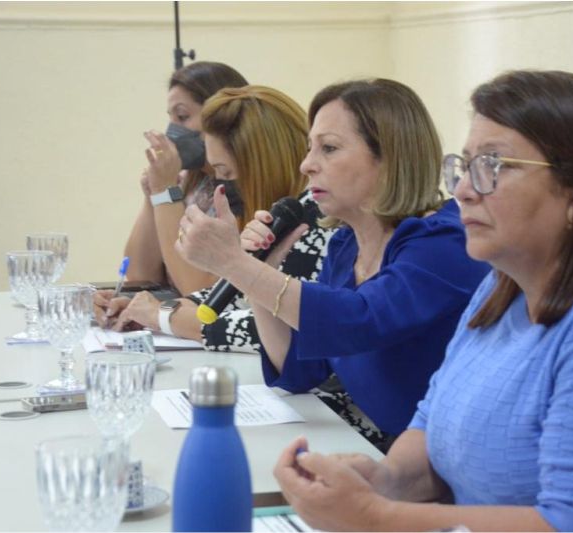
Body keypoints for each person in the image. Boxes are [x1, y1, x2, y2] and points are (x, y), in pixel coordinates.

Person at [271, 70, 573, 531]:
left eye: (493, 165)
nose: (463, 190)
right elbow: (433, 423)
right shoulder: (501, 285)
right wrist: (384, 481)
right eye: (464, 166)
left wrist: (377, 516)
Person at [175, 79, 490, 450]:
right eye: (310, 148)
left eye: (329, 148)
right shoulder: (346, 245)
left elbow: (359, 320)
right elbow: (301, 370)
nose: (307, 165)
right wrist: (258, 272)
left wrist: (238, 266)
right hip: (383, 451)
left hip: (443, 459)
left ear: (390, 157)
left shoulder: (445, 242)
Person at [94, 85, 333, 354]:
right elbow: (230, 295)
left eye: (225, 172)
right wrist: (150, 309)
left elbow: (288, 324)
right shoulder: (282, 213)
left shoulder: (319, 217)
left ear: (260, 167)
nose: (219, 183)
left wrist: (165, 318)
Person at [124, 61, 249, 295]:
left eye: (182, 116)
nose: (171, 132)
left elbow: (198, 289)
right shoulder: (186, 181)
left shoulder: (241, 187)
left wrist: (164, 192)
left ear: (223, 118)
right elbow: (139, 277)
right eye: (171, 118)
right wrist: (153, 194)